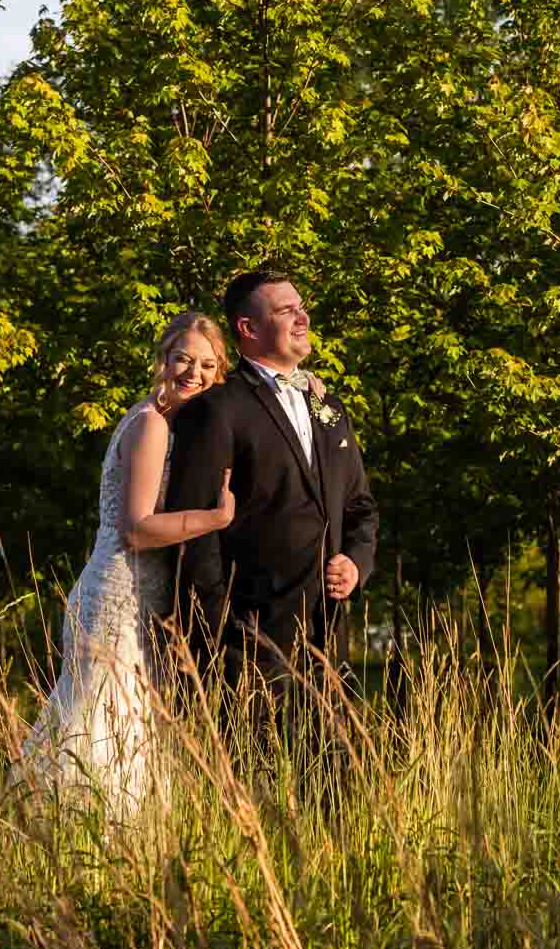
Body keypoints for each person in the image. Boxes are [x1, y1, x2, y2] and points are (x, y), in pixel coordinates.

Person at [20, 311, 239, 810]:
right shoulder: (152, 425)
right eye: (183, 358)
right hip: (119, 599)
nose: (194, 373)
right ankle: (83, 838)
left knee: (122, 731)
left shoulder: (164, 422)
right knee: (102, 731)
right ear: (163, 359)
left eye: (207, 365)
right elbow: (138, 530)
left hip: (136, 598)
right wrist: (215, 518)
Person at [164, 269, 378, 705]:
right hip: (248, 644)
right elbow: (192, 536)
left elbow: (360, 507)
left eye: (302, 308)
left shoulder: (328, 405)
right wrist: (217, 634)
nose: (303, 318)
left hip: (328, 636)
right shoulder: (216, 410)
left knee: (329, 771)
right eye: (286, 310)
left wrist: (355, 564)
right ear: (249, 328)